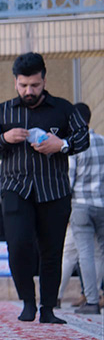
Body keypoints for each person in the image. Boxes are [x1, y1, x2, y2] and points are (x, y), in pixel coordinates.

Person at [0, 52, 89, 324]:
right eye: (23, 85)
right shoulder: (2, 111)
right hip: (15, 189)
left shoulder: (63, 109)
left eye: (35, 85)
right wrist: (5, 138)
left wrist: (61, 144)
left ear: (44, 80)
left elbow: (83, 137)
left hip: (54, 190)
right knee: (18, 246)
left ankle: (48, 309)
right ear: (15, 82)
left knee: (52, 251)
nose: (29, 91)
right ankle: (28, 302)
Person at [57, 103, 103, 315]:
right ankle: (94, 298)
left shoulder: (74, 147)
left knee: (82, 254)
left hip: (81, 206)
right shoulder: (103, 142)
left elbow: (69, 181)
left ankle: (91, 301)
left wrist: (63, 211)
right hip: (102, 205)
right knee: (99, 254)